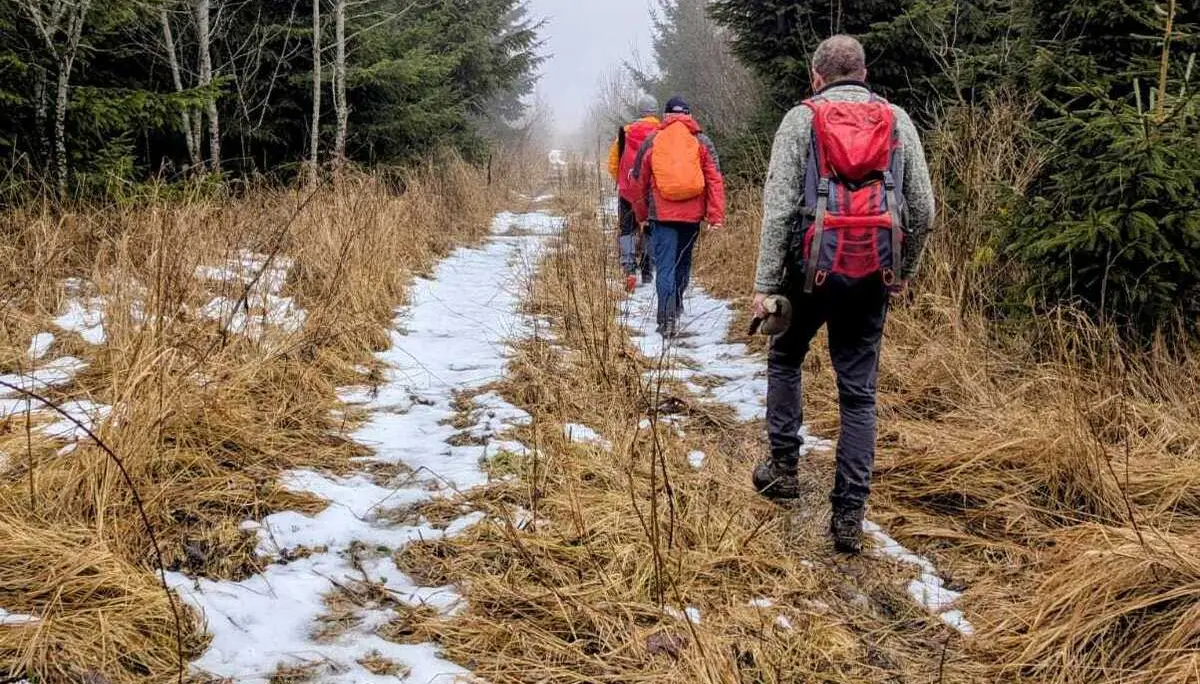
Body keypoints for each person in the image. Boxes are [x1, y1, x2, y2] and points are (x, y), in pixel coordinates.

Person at [749, 35, 935, 554]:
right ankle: (849, 517)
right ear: (864, 73)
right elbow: (924, 211)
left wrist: (766, 286)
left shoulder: (800, 120)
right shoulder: (897, 119)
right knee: (859, 395)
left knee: (784, 358)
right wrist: (902, 271)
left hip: (801, 275)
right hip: (873, 273)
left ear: (817, 76)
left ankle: (784, 468)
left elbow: (780, 210)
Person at [630, 96, 726, 338]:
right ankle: (678, 304)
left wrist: (641, 215)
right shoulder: (701, 140)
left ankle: (666, 318)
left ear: (665, 115)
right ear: (688, 115)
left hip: (661, 215)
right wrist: (715, 216)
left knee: (664, 266)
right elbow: (714, 178)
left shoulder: (653, 140)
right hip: (692, 216)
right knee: (683, 262)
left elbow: (639, 181)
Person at [608, 95, 660, 293]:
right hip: (652, 190)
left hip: (627, 189)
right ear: (655, 111)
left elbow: (613, 163)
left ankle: (629, 267)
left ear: (639, 110)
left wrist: (623, 181)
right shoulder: (661, 132)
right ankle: (647, 269)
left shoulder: (625, 132)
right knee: (650, 227)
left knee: (627, 228)